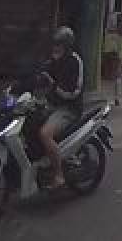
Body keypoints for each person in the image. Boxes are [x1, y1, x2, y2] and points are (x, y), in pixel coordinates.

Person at [38, 26, 84, 188]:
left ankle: (59, 175)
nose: (55, 48)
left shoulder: (75, 61)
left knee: (45, 134)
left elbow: (73, 93)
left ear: (66, 46)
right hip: (52, 104)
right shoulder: (53, 60)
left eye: (59, 45)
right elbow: (39, 75)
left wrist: (53, 86)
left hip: (69, 109)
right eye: (54, 44)